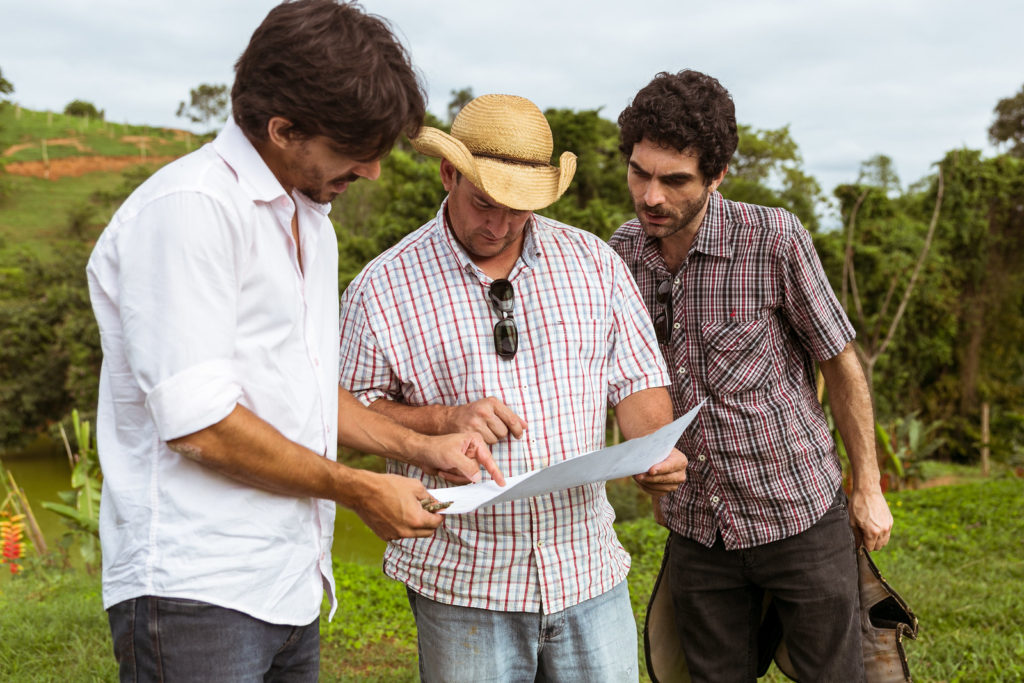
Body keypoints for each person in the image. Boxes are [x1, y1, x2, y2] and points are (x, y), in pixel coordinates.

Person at [85, 2, 500, 680]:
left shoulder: (310, 221)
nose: (370, 172)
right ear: (281, 129)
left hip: (287, 582)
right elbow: (203, 425)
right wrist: (358, 489)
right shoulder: (192, 211)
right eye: (354, 151)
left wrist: (420, 446)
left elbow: (302, 387)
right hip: (197, 589)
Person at [337, 93, 688, 682]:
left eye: (519, 210)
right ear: (449, 174)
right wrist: (440, 421)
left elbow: (637, 380)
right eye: (483, 203)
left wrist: (651, 450)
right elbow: (346, 407)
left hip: (586, 571)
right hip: (464, 583)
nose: (499, 225)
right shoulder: (383, 286)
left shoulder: (593, 263)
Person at [609, 70, 895, 682]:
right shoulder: (622, 255)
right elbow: (628, 379)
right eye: (640, 172)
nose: (651, 196)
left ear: (716, 176)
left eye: (675, 180)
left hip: (798, 515)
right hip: (698, 528)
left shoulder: (773, 239)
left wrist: (867, 486)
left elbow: (840, 363)